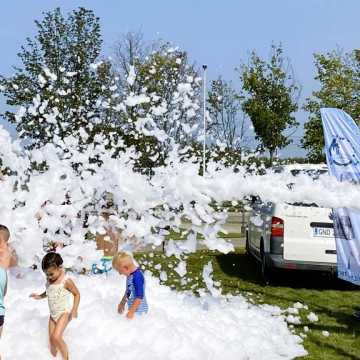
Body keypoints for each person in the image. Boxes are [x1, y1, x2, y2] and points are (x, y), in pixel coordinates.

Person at [30, 252, 80, 360]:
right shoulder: (49, 280)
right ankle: (53, 357)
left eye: (51, 274)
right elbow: (49, 291)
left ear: (60, 267)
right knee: (51, 342)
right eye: (46, 274)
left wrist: (74, 309)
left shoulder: (66, 281)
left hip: (64, 313)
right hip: (53, 316)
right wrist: (40, 296)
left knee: (56, 337)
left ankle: (66, 358)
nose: (48, 277)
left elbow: (77, 294)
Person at [112, 252, 148, 318]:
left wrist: (131, 312)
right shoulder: (130, 275)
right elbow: (129, 292)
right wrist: (122, 303)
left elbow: (139, 296)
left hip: (140, 311)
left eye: (120, 271)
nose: (120, 274)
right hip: (133, 310)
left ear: (126, 268)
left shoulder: (137, 276)